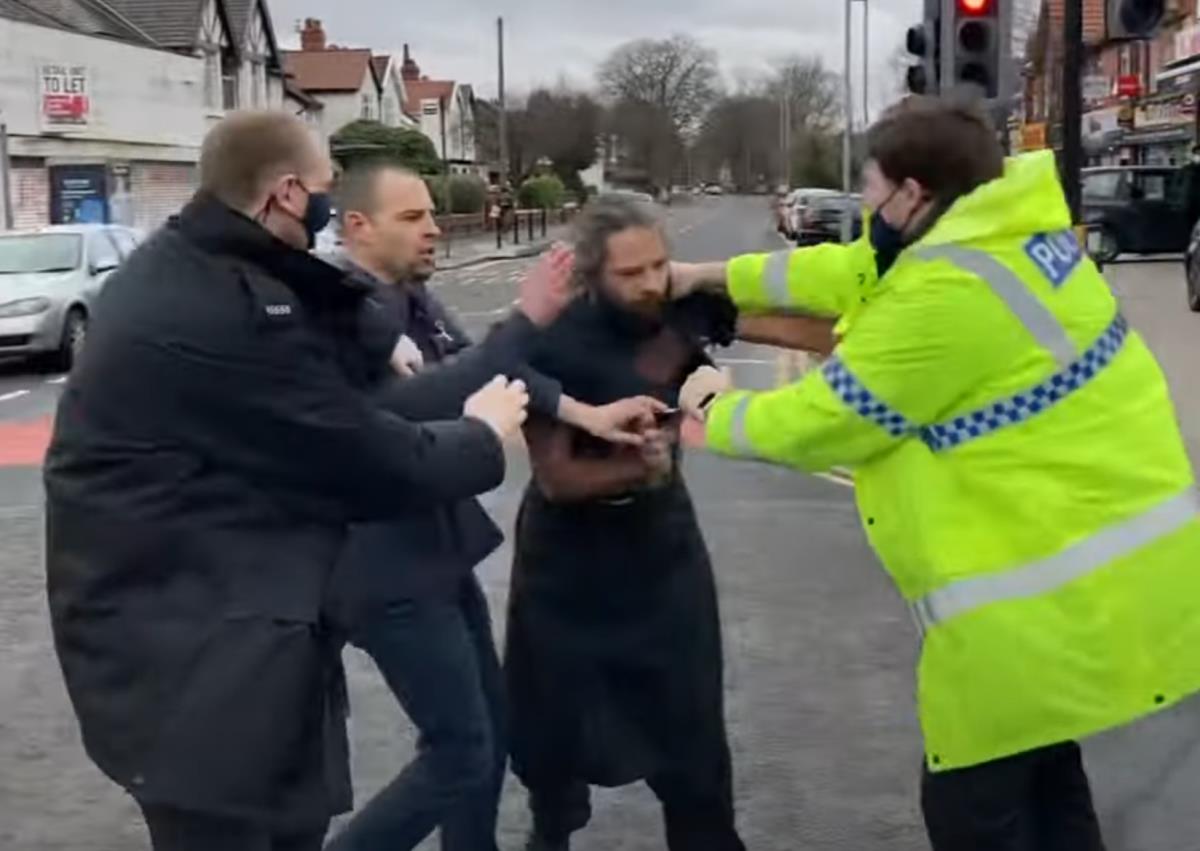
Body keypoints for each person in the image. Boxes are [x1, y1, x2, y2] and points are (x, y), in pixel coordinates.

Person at [669, 96, 1200, 851]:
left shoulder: (946, 295)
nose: (866, 209)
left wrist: (712, 405)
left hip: (1040, 597)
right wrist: (708, 275)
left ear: (913, 194)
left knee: (972, 805)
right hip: (1104, 568)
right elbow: (851, 268)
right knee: (1046, 782)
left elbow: (826, 419)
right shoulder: (1004, 236)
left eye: (871, 191)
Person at [43, 111, 530, 851]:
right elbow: (364, 458)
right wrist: (483, 433)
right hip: (185, 659)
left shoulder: (199, 263)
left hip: (219, 628)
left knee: (290, 809)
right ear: (289, 192)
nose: (330, 210)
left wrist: (377, 334)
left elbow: (308, 297)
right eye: (326, 189)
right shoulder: (208, 312)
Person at [320, 161, 662, 851]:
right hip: (382, 567)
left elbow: (489, 364)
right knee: (459, 748)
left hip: (433, 549)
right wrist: (529, 316)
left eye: (430, 213)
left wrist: (586, 413)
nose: (433, 228)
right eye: (412, 217)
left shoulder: (410, 297)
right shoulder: (339, 312)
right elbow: (417, 404)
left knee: (487, 733)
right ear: (358, 227)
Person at [506, 195, 748, 851]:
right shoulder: (552, 339)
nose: (650, 284)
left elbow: (805, 321)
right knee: (553, 745)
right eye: (630, 273)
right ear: (592, 275)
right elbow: (557, 477)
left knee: (695, 747)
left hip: (664, 558)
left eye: (659, 266)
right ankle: (552, 829)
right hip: (568, 568)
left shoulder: (680, 311)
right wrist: (642, 466)